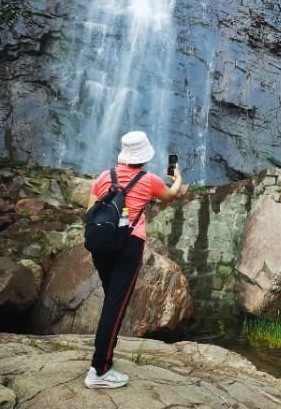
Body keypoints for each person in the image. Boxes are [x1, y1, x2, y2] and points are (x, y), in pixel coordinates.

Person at [84, 131, 182, 389]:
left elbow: (89, 211)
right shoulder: (149, 180)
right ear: (144, 156)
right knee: (115, 306)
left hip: (101, 244)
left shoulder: (104, 177)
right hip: (129, 244)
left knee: (112, 302)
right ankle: (99, 370)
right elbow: (171, 195)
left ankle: (104, 359)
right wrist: (178, 178)